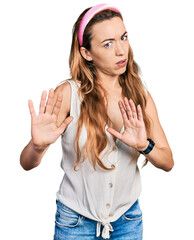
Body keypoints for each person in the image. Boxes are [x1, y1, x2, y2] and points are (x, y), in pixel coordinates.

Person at [20, 3, 174, 240]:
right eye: (108, 43)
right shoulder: (68, 94)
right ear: (87, 53)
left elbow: (168, 162)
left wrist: (144, 146)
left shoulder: (139, 94)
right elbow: (26, 163)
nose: (121, 51)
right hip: (75, 224)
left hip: (128, 221)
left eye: (123, 37)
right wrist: (37, 146)